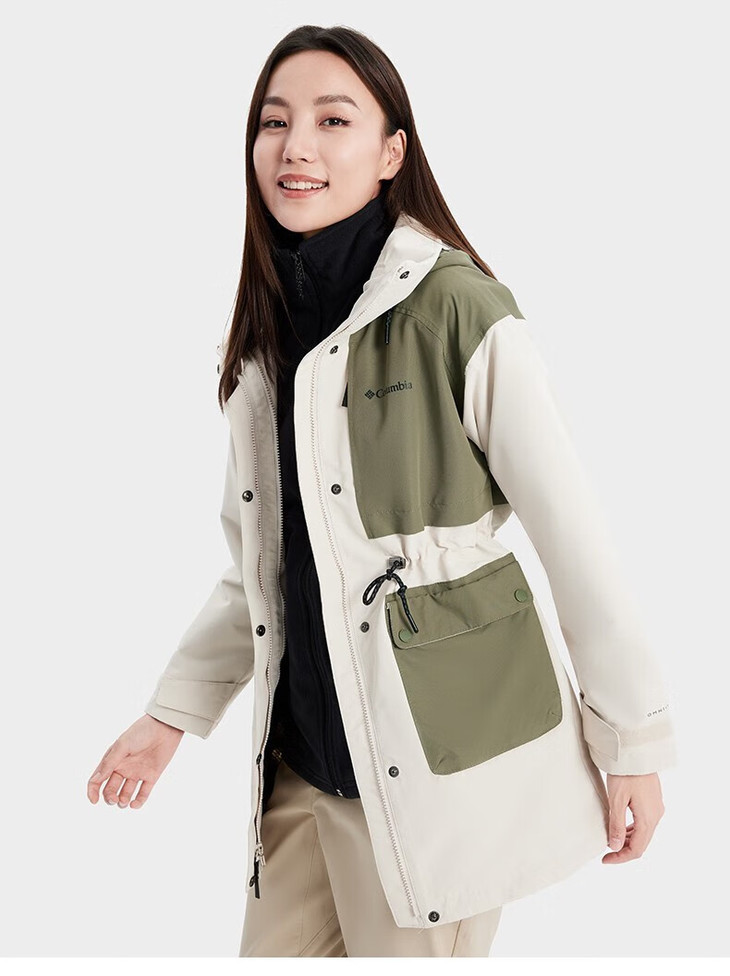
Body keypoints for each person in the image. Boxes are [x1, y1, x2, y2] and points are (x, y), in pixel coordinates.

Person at [86, 25, 678, 958]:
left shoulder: (458, 309)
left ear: (391, 152)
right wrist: (173, 714)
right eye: (274, 122)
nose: (297, 146)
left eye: (334, 120)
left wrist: (632, 745)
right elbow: (262, 566)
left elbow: (574, 538)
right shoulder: (263, 340)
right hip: (298, 774)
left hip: (431, 776)